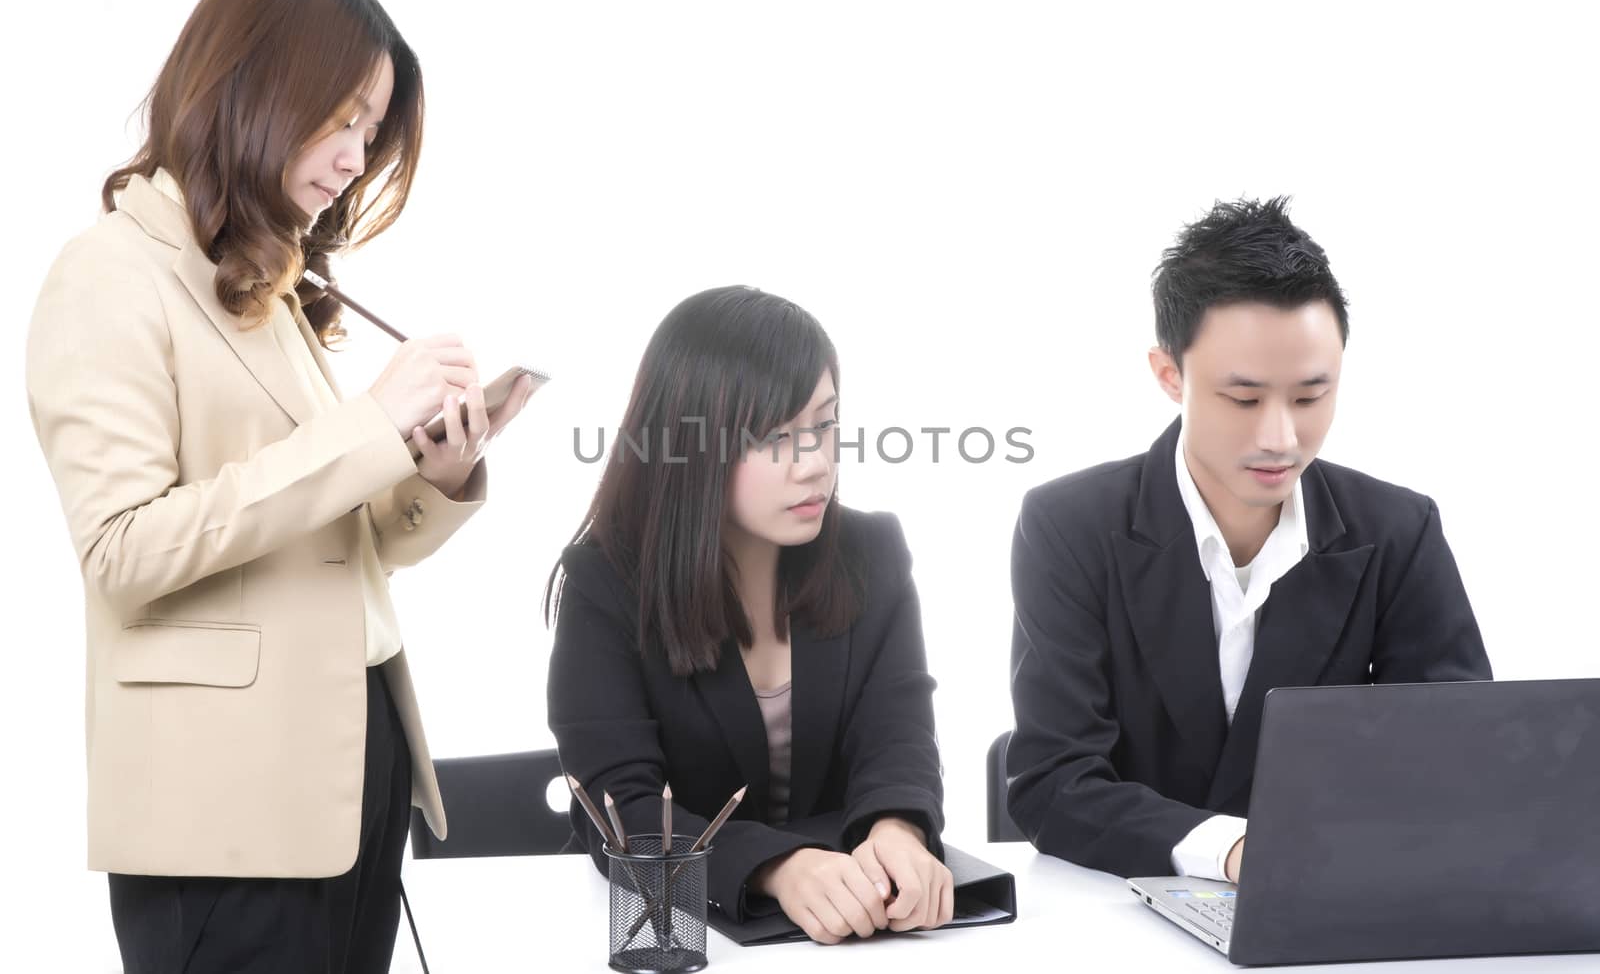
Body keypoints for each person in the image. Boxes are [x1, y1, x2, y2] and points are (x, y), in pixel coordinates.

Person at [24, 0, 532, 973]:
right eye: (342, 116)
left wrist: (428, 474)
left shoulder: (261, 280)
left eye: (371, 130)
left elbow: (329, 540)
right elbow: (123, 549)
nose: (356, 157)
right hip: (223, 813)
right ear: (251, 83)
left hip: (350, 772)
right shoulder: (108, 274)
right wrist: (365, 427)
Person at [1005, 197, 1492, 883]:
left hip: (1338, 904)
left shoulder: (1398, 531)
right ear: (1169, 374)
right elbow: (1051, 783)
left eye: (1309, 396)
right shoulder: (1070, 526)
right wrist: (1230, 849)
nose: (1281, 438)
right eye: (1244, 398)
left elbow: (1460, 758)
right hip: (1124, 912)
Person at [546, 285, 954, 945]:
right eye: (774, 437)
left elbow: (898, 733)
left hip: (856, 937)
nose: (816, 463)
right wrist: (777, 868)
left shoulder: (871, 552)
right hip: (664, 935)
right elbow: (623, 810)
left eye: (824, 424)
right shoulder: (606, 583)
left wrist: (896, 831)